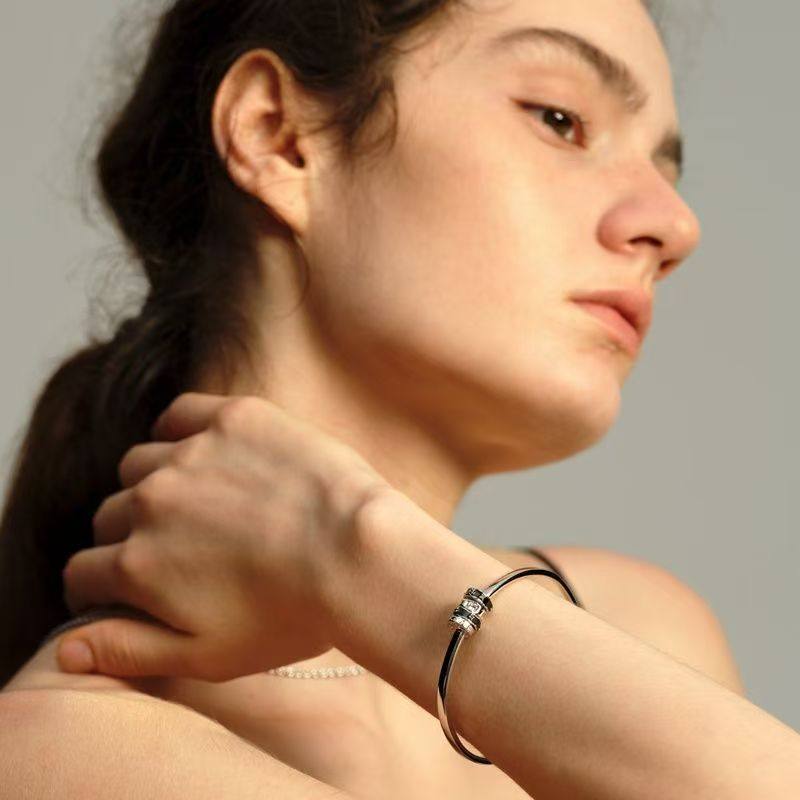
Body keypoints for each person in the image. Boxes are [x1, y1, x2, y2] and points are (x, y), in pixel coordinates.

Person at [1, 0, 798, 798]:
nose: (676, 226)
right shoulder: (58, 751)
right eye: (559, 120)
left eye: (666, 172)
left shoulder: (639, 624)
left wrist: (344, 552)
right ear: (279, 135)